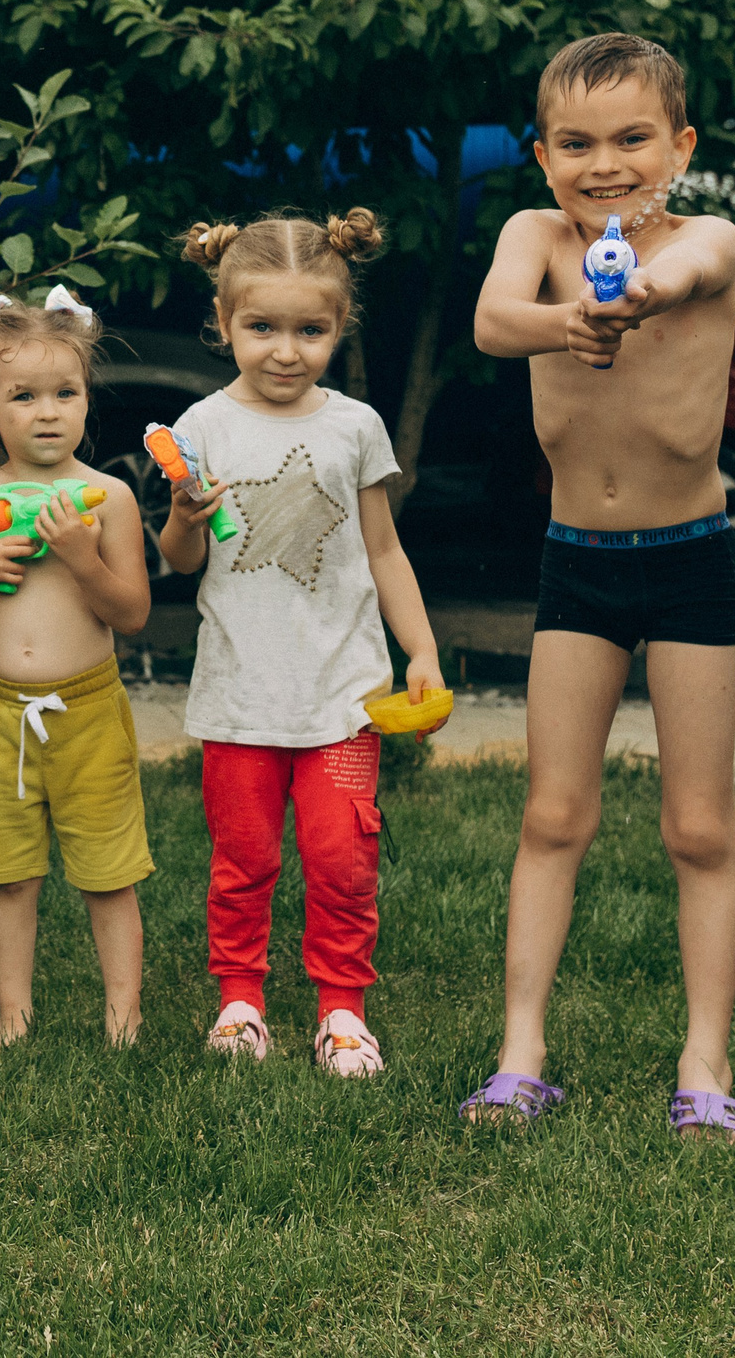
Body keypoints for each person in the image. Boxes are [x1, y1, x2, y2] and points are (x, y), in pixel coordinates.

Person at [466, 32, 735, 1138]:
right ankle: (520, 1051)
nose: (604, 163)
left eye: (632, 138)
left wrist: (632, 290)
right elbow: (497, 319)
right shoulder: (535, 236)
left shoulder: (705, 237)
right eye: (576, 143)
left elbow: (685, 274)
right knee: (551, 812)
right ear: (541, 156)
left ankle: (705, 1062)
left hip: (686, 566)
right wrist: (568, 318)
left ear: (676, 146)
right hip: (574, 564)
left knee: (697, 826)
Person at [162, 208, 442, 1077]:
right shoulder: (200, 427)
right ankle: (240, 1001)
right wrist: (180, 516)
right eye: (262, 328)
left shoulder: (354, 426)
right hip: (241, 691)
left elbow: (385, 549)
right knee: (243, 860)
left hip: (344, 692)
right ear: (224, 324)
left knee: (341, 859)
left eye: (310, 330)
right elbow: (178, 562)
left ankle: (342, 1012)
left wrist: (421, 651)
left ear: (339, 325)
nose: (286, 350)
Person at [0, 291, 154, 1046]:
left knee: (108, 872)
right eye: (24, 397)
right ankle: (13, 1012)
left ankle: (124, 1013)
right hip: (1, 712)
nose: (48, 412)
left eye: (65, 394)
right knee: (9, 873)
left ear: (85, 400)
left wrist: (83, 559)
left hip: (87, 711)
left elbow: (133, 614)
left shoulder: (108, 499)